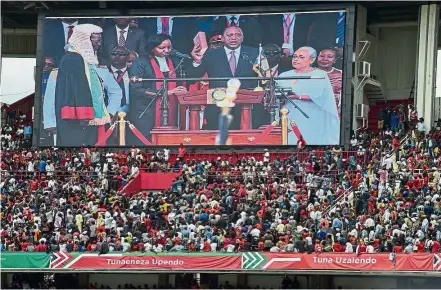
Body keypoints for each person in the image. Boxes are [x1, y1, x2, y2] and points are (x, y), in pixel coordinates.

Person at [188, 26, 264, 130]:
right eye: (229, 35)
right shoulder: (211, 54)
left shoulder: (255, 53)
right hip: (218, 107)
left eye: (238, 35)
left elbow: (264, 77)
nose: (233, 38)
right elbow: (194, 76)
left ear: (242, 38)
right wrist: (197, 61)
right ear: (222, 38)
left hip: (247, 107)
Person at [54, 24, 114, 146]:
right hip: (76, 119)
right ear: (84, 41)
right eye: (96, 41)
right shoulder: (73, 59)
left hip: (80, 118)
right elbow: (77, 90)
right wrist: (84, 116)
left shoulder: (81, 59)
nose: (99, 44)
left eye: (100, 41)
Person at [129, 34, 187, 143]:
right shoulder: (140, 63)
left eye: (169, 47)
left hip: (171, 108)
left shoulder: (174, 61)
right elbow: (135, 90)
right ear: (152, 48)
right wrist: (166, 92)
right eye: (161, 48)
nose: (166, 50)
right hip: (146, 110)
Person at [277, 46, 339, 145]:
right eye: (295, 56)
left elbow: (322, 96)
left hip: (313, 117)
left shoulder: (320, 75)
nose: (296, 59)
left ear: (312, 60)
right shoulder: (283, 76)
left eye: (301, 57)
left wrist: (299, 96)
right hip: (290, 115)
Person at [259, 12, 339, 56]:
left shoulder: (308, 17)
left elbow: (314, 40)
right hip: (276, 59)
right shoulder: (269, 18)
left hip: (302, 59)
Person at [317, 47, 342, 115]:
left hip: (336, 113)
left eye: (329, 56)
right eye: (322, 56)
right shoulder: (310, 73)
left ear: (335, 59)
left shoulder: (341, 74)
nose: (325, 59)